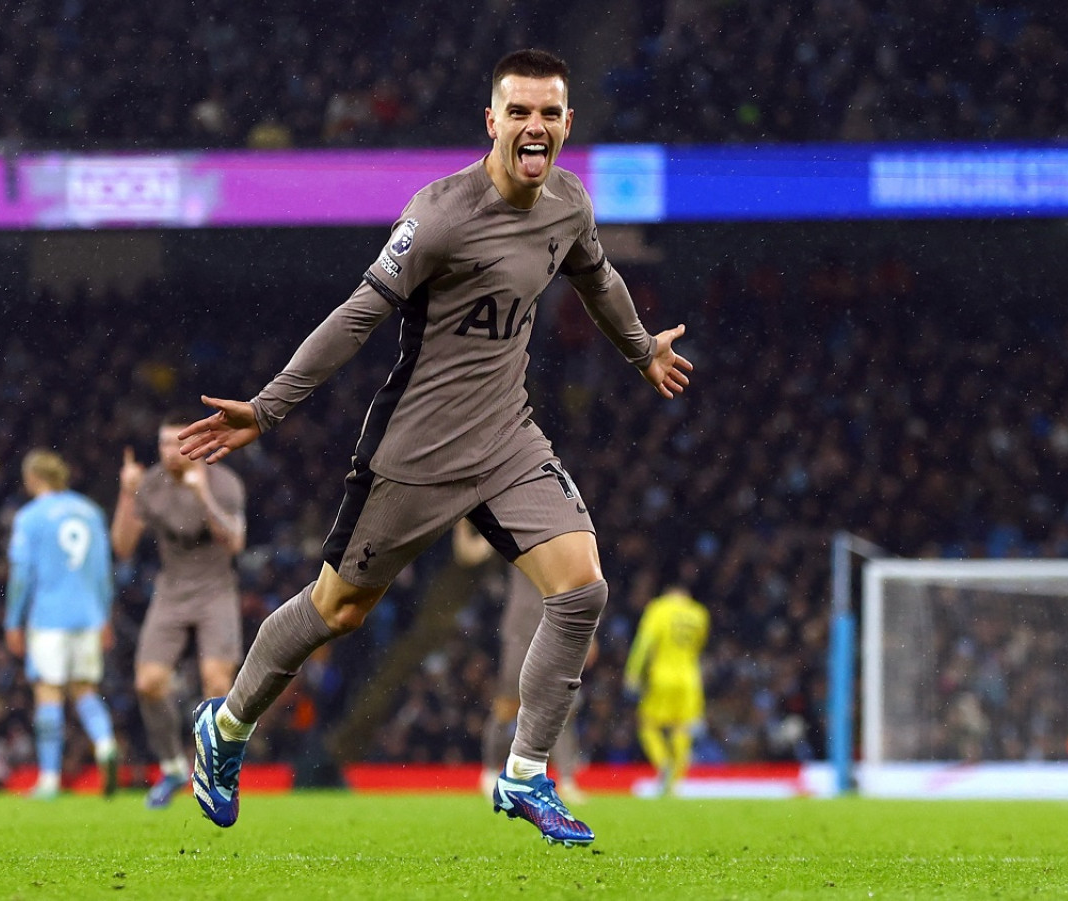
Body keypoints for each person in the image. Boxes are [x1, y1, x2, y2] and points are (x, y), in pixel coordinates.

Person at [177, 48, 692, 846]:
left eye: (549, 113)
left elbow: (597, 276)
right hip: (413, 452)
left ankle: (524, 775)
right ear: (492, 121)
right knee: (337, 609)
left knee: (582, 588)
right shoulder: (441, 213)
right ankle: (228, 726)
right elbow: (357, 314)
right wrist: (270, 407)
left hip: (508, 440)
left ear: (566, 125)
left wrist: (639, 350)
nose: (534, 126)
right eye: (518, 111)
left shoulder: (568, 204)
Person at [111, 412, 247, 809]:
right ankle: (173, 766)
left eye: (178, 443)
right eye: (164, 444)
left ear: (197, 442)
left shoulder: (223, 481)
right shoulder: (150, 484)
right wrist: (125, 494)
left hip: (215, 591)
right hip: (171, 592)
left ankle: (216, 775)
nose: (171, 452)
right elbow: (122, 546)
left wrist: (202, 494)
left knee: (216, 681)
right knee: (148, 683)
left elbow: (235, 542)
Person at [4, 449, 118, 800]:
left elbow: (22, 575)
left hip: (49, 617)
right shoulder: (92, 512)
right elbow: (102, 572)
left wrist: (13, 621)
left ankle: (50, 780)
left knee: (48, 692)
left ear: (33, 478)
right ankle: (105, 743)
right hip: (87, 615)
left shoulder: (29, 518)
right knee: (83, 689)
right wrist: (104, 616)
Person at [453, 521, 591, 804]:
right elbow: (469, 554)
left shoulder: (563, 534)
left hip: (556, 629)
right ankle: (490, 771)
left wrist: (590, 630)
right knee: (507, 706)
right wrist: (462, 523)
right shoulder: (515, 531)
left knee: (560, 707)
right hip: (520, 632)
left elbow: (582, 582)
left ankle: (566, 780)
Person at [623, 585, 709, 796]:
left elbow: (645, 643)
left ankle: (664, 764)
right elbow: (699, 647)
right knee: (682, 728)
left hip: (661, 676)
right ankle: (676, 781)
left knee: (647, 724)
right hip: (690, 678)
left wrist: (633, 672)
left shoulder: (658, 609)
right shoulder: (699, 613)